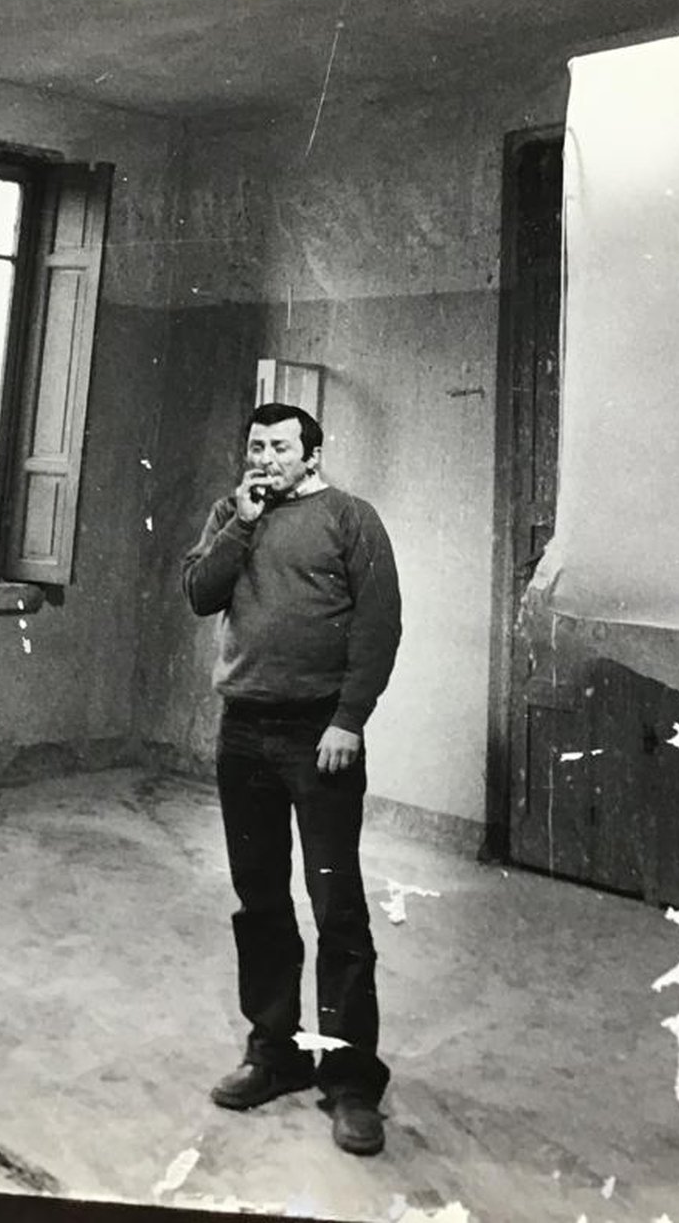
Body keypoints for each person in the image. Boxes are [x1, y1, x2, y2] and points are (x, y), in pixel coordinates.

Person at [181, 401, 403, 1157]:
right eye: (256, 447)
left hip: (320, 736)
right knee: (261, 899)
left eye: (280, 447)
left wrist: (349, 720)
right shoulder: (232, 513)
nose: (265, 459)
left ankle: (350, 1081)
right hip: (243, 731)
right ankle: (274, 1053)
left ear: (312, 454)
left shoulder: (351, 518)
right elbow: (200, 593)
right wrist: (242, 524)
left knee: (337, 907)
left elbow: (379, 627)